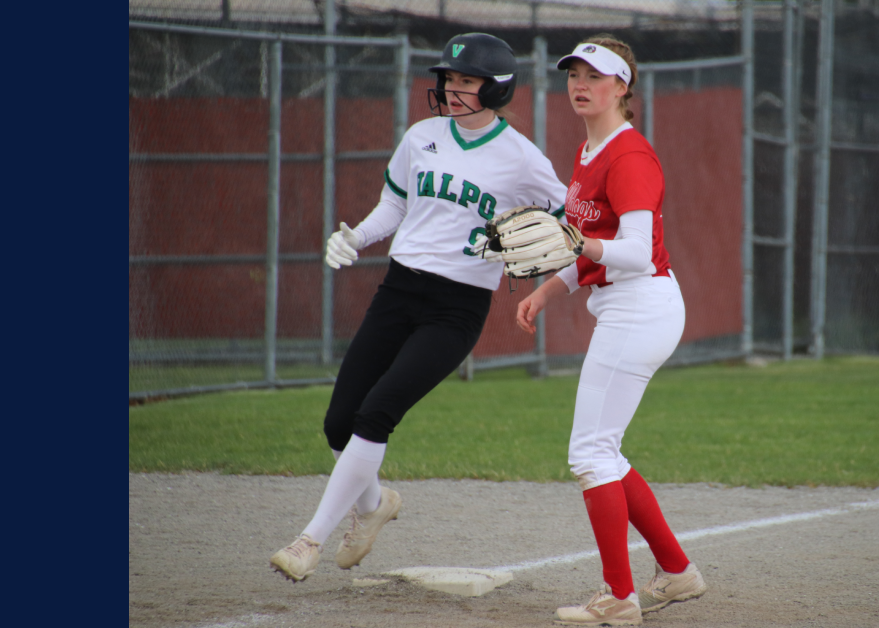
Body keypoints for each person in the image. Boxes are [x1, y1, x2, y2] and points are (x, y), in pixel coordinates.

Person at [269, 32, 568, 582]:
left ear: (498, 89)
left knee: (376, 413)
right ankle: (373, 505)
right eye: (449, 79)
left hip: (457, 308)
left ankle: (309, 539)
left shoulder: (521, 157)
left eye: (466, 81)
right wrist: (356, 238)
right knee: (339, 422)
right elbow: (395, 204)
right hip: (399, 290)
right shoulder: (422, 136)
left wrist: (545, 265)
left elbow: (567, 216)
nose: (452, 89)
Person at [515, 36, 707, 625]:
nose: (580, 83)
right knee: (605, 452)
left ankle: (619, 599)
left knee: (589, 453)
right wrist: (552, 287)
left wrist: (575, 247)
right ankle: (676, 573)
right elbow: (595, 250)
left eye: (594, 75)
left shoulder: (629, 158)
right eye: (573, 72)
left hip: (640, 304)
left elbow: (635, 255)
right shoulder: (590, 151)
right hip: (628, 306)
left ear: (622, 86)